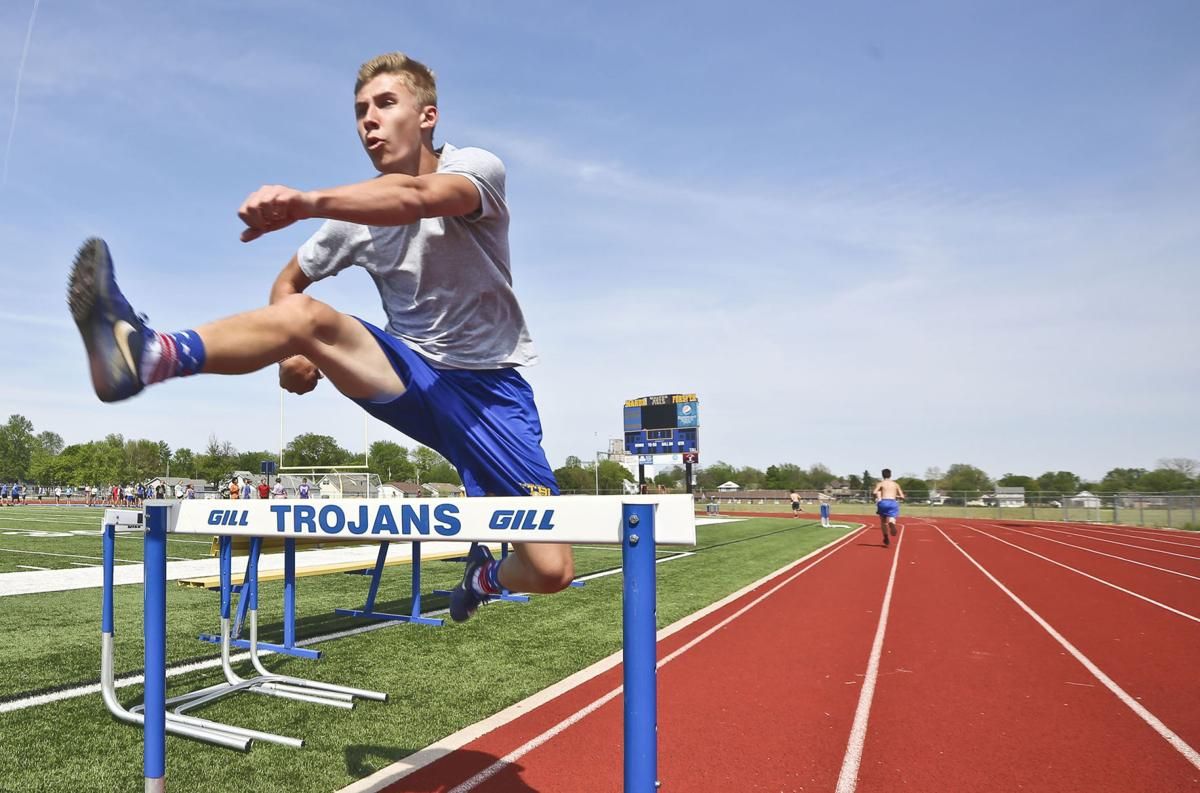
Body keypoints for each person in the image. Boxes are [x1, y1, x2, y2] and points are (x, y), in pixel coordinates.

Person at [67, 51, 568, 623]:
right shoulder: (351, 221)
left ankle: (482, 575)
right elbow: (288, 282)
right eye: (360, 110)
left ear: (427, 116)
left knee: (550, 569)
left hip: (492, 394)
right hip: (410, 375)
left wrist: (306, 203)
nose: (369, 121)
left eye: (385, 104)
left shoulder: (477, 168)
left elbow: (416, 198)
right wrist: (293, 350)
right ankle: (150, 354)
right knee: (307, 316)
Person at [873, 468, 905, 547]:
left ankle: (886, 537)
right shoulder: (895, 484)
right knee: (892, 517)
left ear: (882, 475)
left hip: (883, 502)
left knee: (883, 522)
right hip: (892, 502)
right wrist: (895, 496)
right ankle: (891, 522)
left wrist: (877, 497)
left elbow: (874, 492)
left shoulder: (880, 483)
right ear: (890, 475)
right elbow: (902, 496)